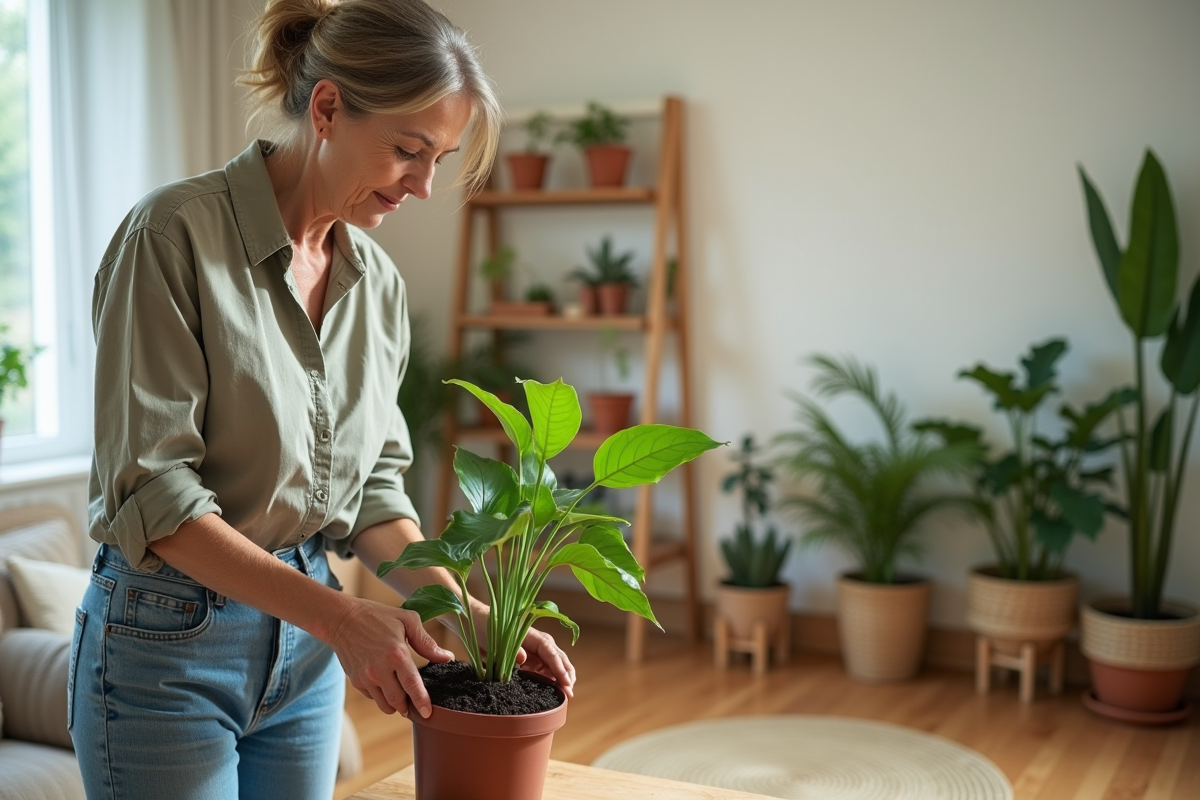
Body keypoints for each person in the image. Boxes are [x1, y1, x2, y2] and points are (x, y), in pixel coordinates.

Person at [69, 1, 575, 797]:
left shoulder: (377, 285)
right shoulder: (172, 237)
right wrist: (340, 618)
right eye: (410, 151)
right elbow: (155, 497)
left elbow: (374, 492)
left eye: (439, 158)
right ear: (329, 108)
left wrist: (469, 614)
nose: (425, 184)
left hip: (305, 651)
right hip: (167, 642)